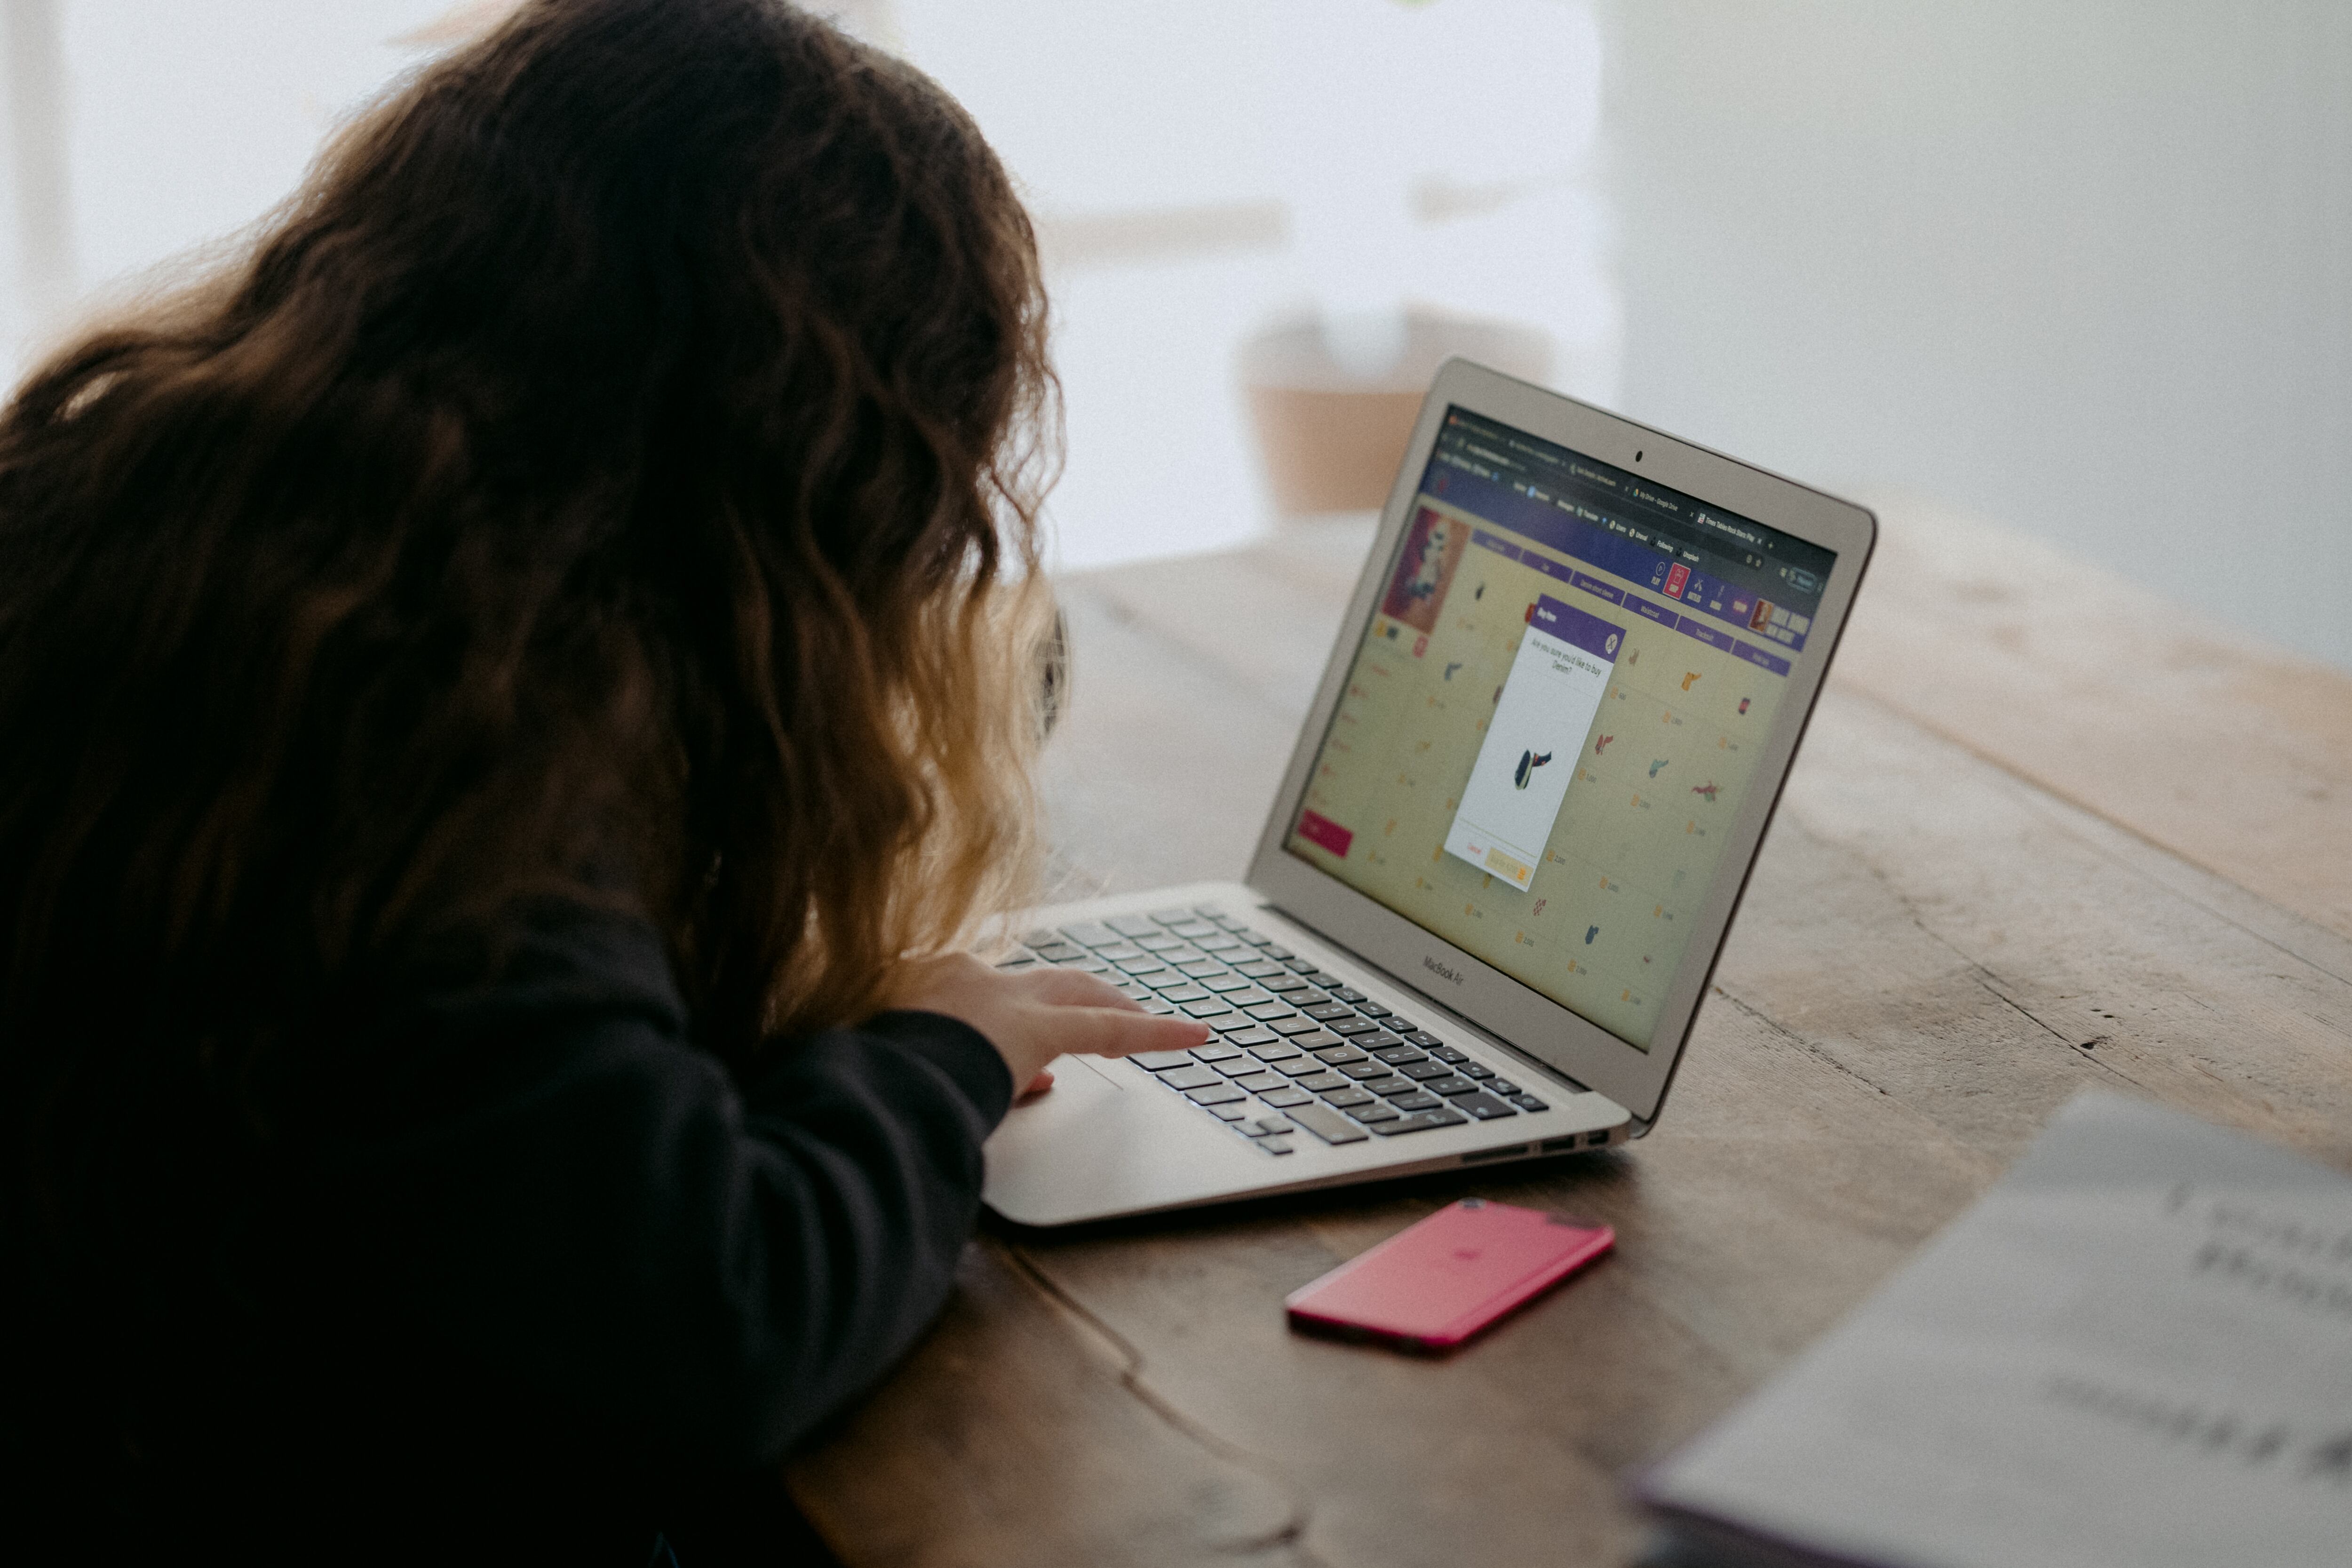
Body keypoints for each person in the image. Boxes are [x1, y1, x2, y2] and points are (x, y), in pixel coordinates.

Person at [0, 1, 1207, 1560]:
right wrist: (938, 1055)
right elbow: (707, 1322)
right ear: (813, 457)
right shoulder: (449, 742)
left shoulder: (168, 515)